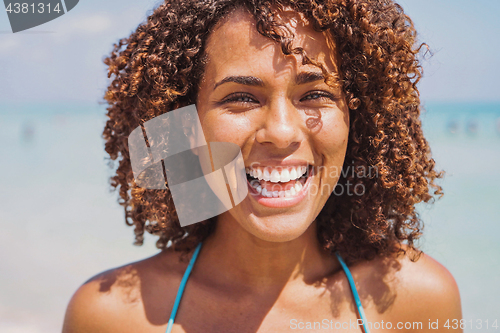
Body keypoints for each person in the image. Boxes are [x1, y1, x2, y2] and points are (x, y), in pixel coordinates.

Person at [63, 0, 463, 332]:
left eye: (315, 94)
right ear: (182, 123)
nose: (282, 132)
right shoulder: (111, 316)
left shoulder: (417, 301)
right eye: (241, 97)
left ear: (357, 119)